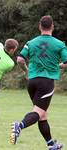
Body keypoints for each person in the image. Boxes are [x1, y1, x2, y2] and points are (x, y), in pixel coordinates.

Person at [10, 15, 67, 150]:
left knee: (42, 114)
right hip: (46, 83)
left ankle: (51, 145)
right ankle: (20, 125)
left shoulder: (31, 43)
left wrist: (26, 71)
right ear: (52, 26)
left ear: (40, 27)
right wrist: (57, 66)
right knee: (38, 112)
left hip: (32, 82)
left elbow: (20, 59)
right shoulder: (59, 44)